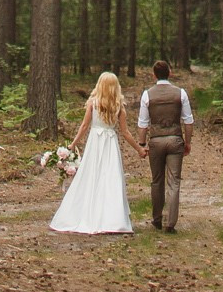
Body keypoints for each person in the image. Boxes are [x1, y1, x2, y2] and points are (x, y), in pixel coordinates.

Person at [49, 71, 136, 235]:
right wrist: (138, 148)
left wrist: (73, 144)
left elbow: (84, 126)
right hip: (110, 142)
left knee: (92, 175)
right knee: (110, 176)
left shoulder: (93, 103)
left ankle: (89, 213)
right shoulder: (118, 107)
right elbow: (125, 132)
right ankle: (113, 219)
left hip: (95, 142)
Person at [136, 58, 193, 232]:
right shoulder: (180, 93)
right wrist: (187, 142)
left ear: (154, 75)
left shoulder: (147, 95)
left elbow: (143, 123)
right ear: (170, 73)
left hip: (156, 141)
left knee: (157, 181)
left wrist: (142, 143)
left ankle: (157, 219)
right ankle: (171, 223)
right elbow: (188, 121)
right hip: (175, 139)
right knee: (174, 181)